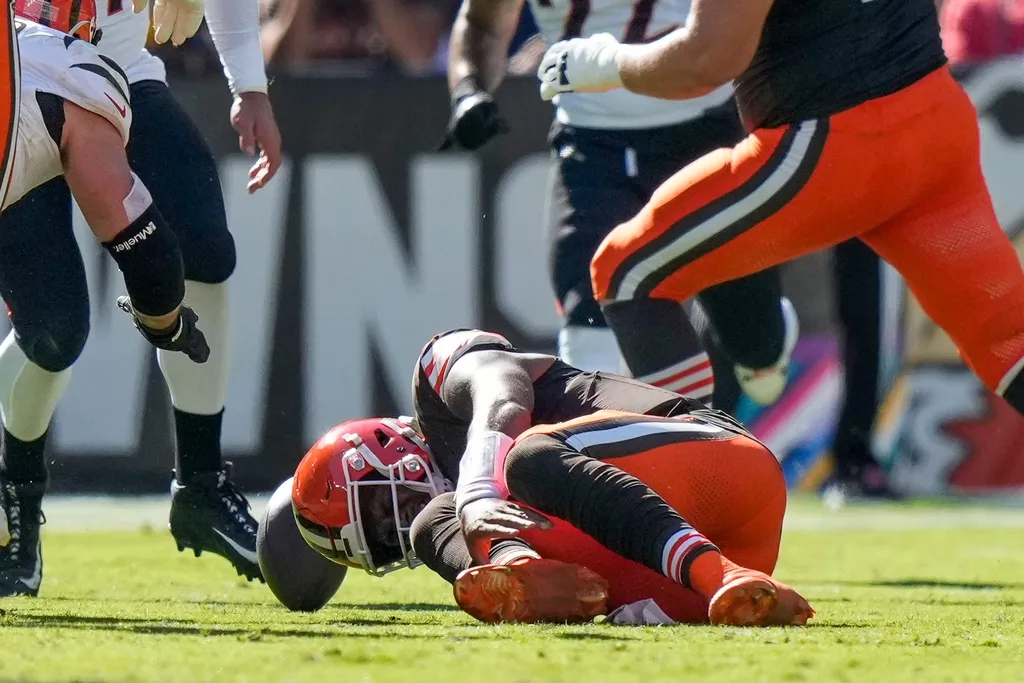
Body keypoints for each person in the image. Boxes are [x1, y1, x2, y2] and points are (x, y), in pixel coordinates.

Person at [528, 0, 1024, 434]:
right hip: (936, 123)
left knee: (626, 273)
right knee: (1007, 339)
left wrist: (600, 62)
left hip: (830, 145)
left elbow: (707, 61)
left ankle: (702, 483)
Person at [0, 0, 281, 596]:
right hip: (17, 82)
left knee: (203, 249)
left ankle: (201, 482)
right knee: (54, 331)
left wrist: (249, 83)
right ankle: (15, 492)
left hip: (117, 70)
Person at [288, 328, 814, 625]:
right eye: (387, 542)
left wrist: (478, 487)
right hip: (661, 572)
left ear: (389, 449)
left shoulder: (438, 384)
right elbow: (440, 519)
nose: (399, 526)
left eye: (388, 504)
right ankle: (524, 577)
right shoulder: (440, 520)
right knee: (436, 523)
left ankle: (721, 575)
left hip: (720, 465)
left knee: (525, 458)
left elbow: (505, 392)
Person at [440, 0, 798, 407]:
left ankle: (765, 342)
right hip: (592, 151)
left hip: (706, 135)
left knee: (757, 347)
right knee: (589, 343)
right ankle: (639, 443)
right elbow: (483, 22)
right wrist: (468, 90)